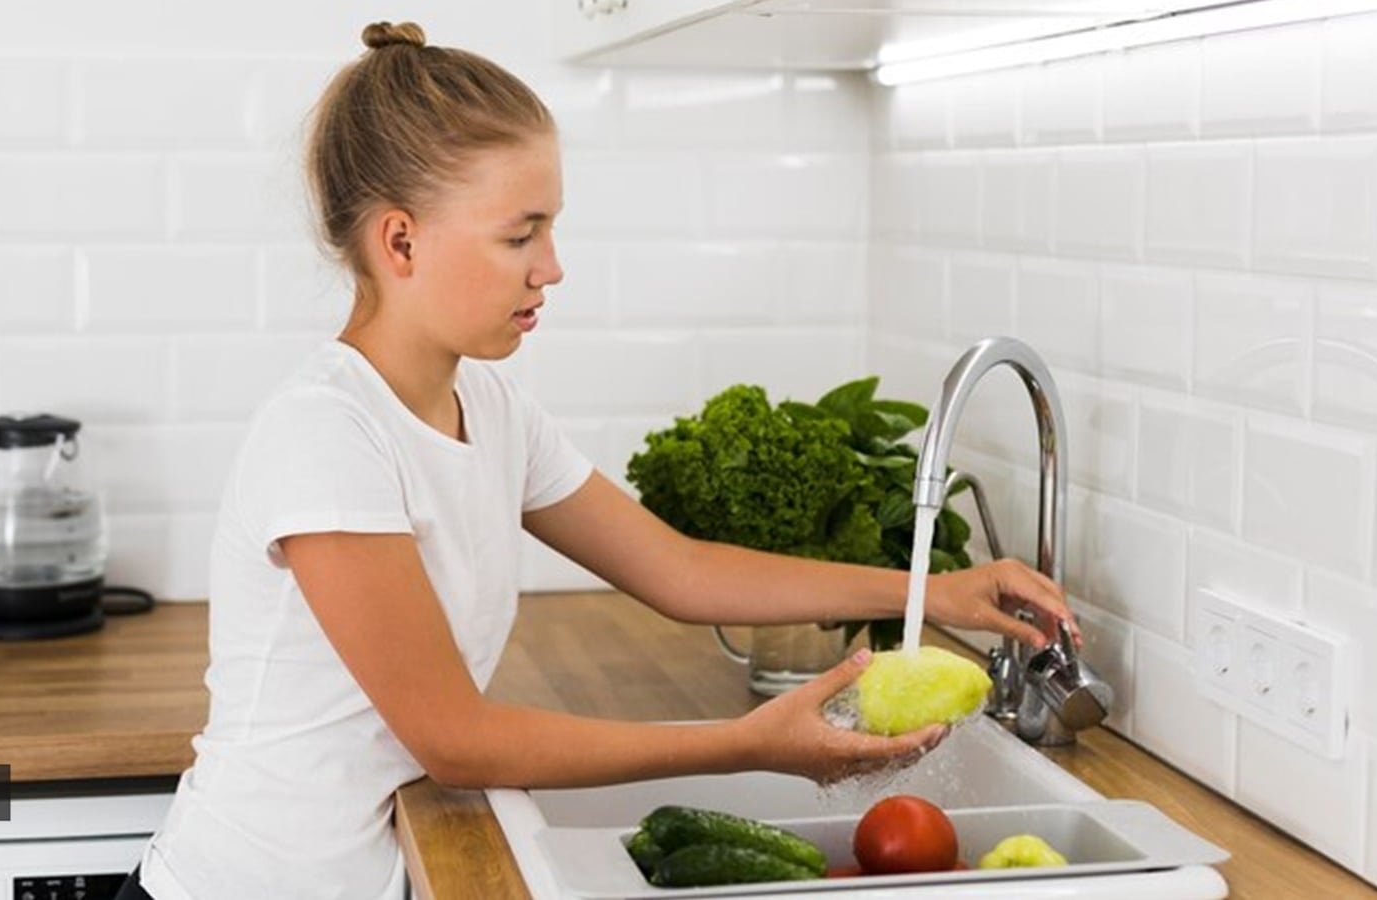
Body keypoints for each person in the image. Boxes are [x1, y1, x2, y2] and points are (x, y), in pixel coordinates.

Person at [117, 21, 1076, 900]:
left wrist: (933, 591)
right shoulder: (326, 432)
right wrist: (744, 745)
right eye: (519, 233)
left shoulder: (488, 406)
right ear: (399, 240)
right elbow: (454, 737)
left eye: (551, 226)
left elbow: (681, 570)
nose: (552, 265)